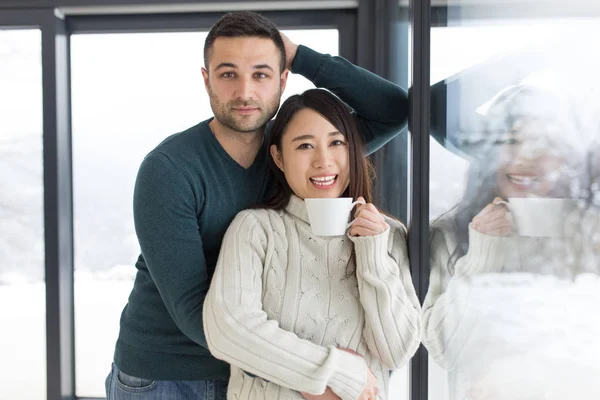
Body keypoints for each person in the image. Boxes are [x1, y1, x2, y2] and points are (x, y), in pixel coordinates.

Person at [105, 11, 412, 400]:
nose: (245, 92)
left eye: (262, 74)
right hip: (170, 373)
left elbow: (394, 110)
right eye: (228, 74)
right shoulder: (169, 170)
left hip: (262, 373)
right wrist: (308, 371)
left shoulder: (296, 150)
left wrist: (301, 57)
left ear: (283, 80)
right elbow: (192, 309)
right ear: (206, 80)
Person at [203, 88, 421, 400]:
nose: (323, 160)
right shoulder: (256, 229)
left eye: (337, 143)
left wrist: (372, 254)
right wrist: (341, 373)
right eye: (305, 145)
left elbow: (396, 351)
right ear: (279, 157)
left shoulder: (388, 234)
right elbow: (227, 330)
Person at [422, 84, 592, 400]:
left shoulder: (588, 234)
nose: (524, 159)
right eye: (511, 141)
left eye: (544, 145)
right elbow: (446, 348)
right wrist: (483, 253)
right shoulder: (450, 233)